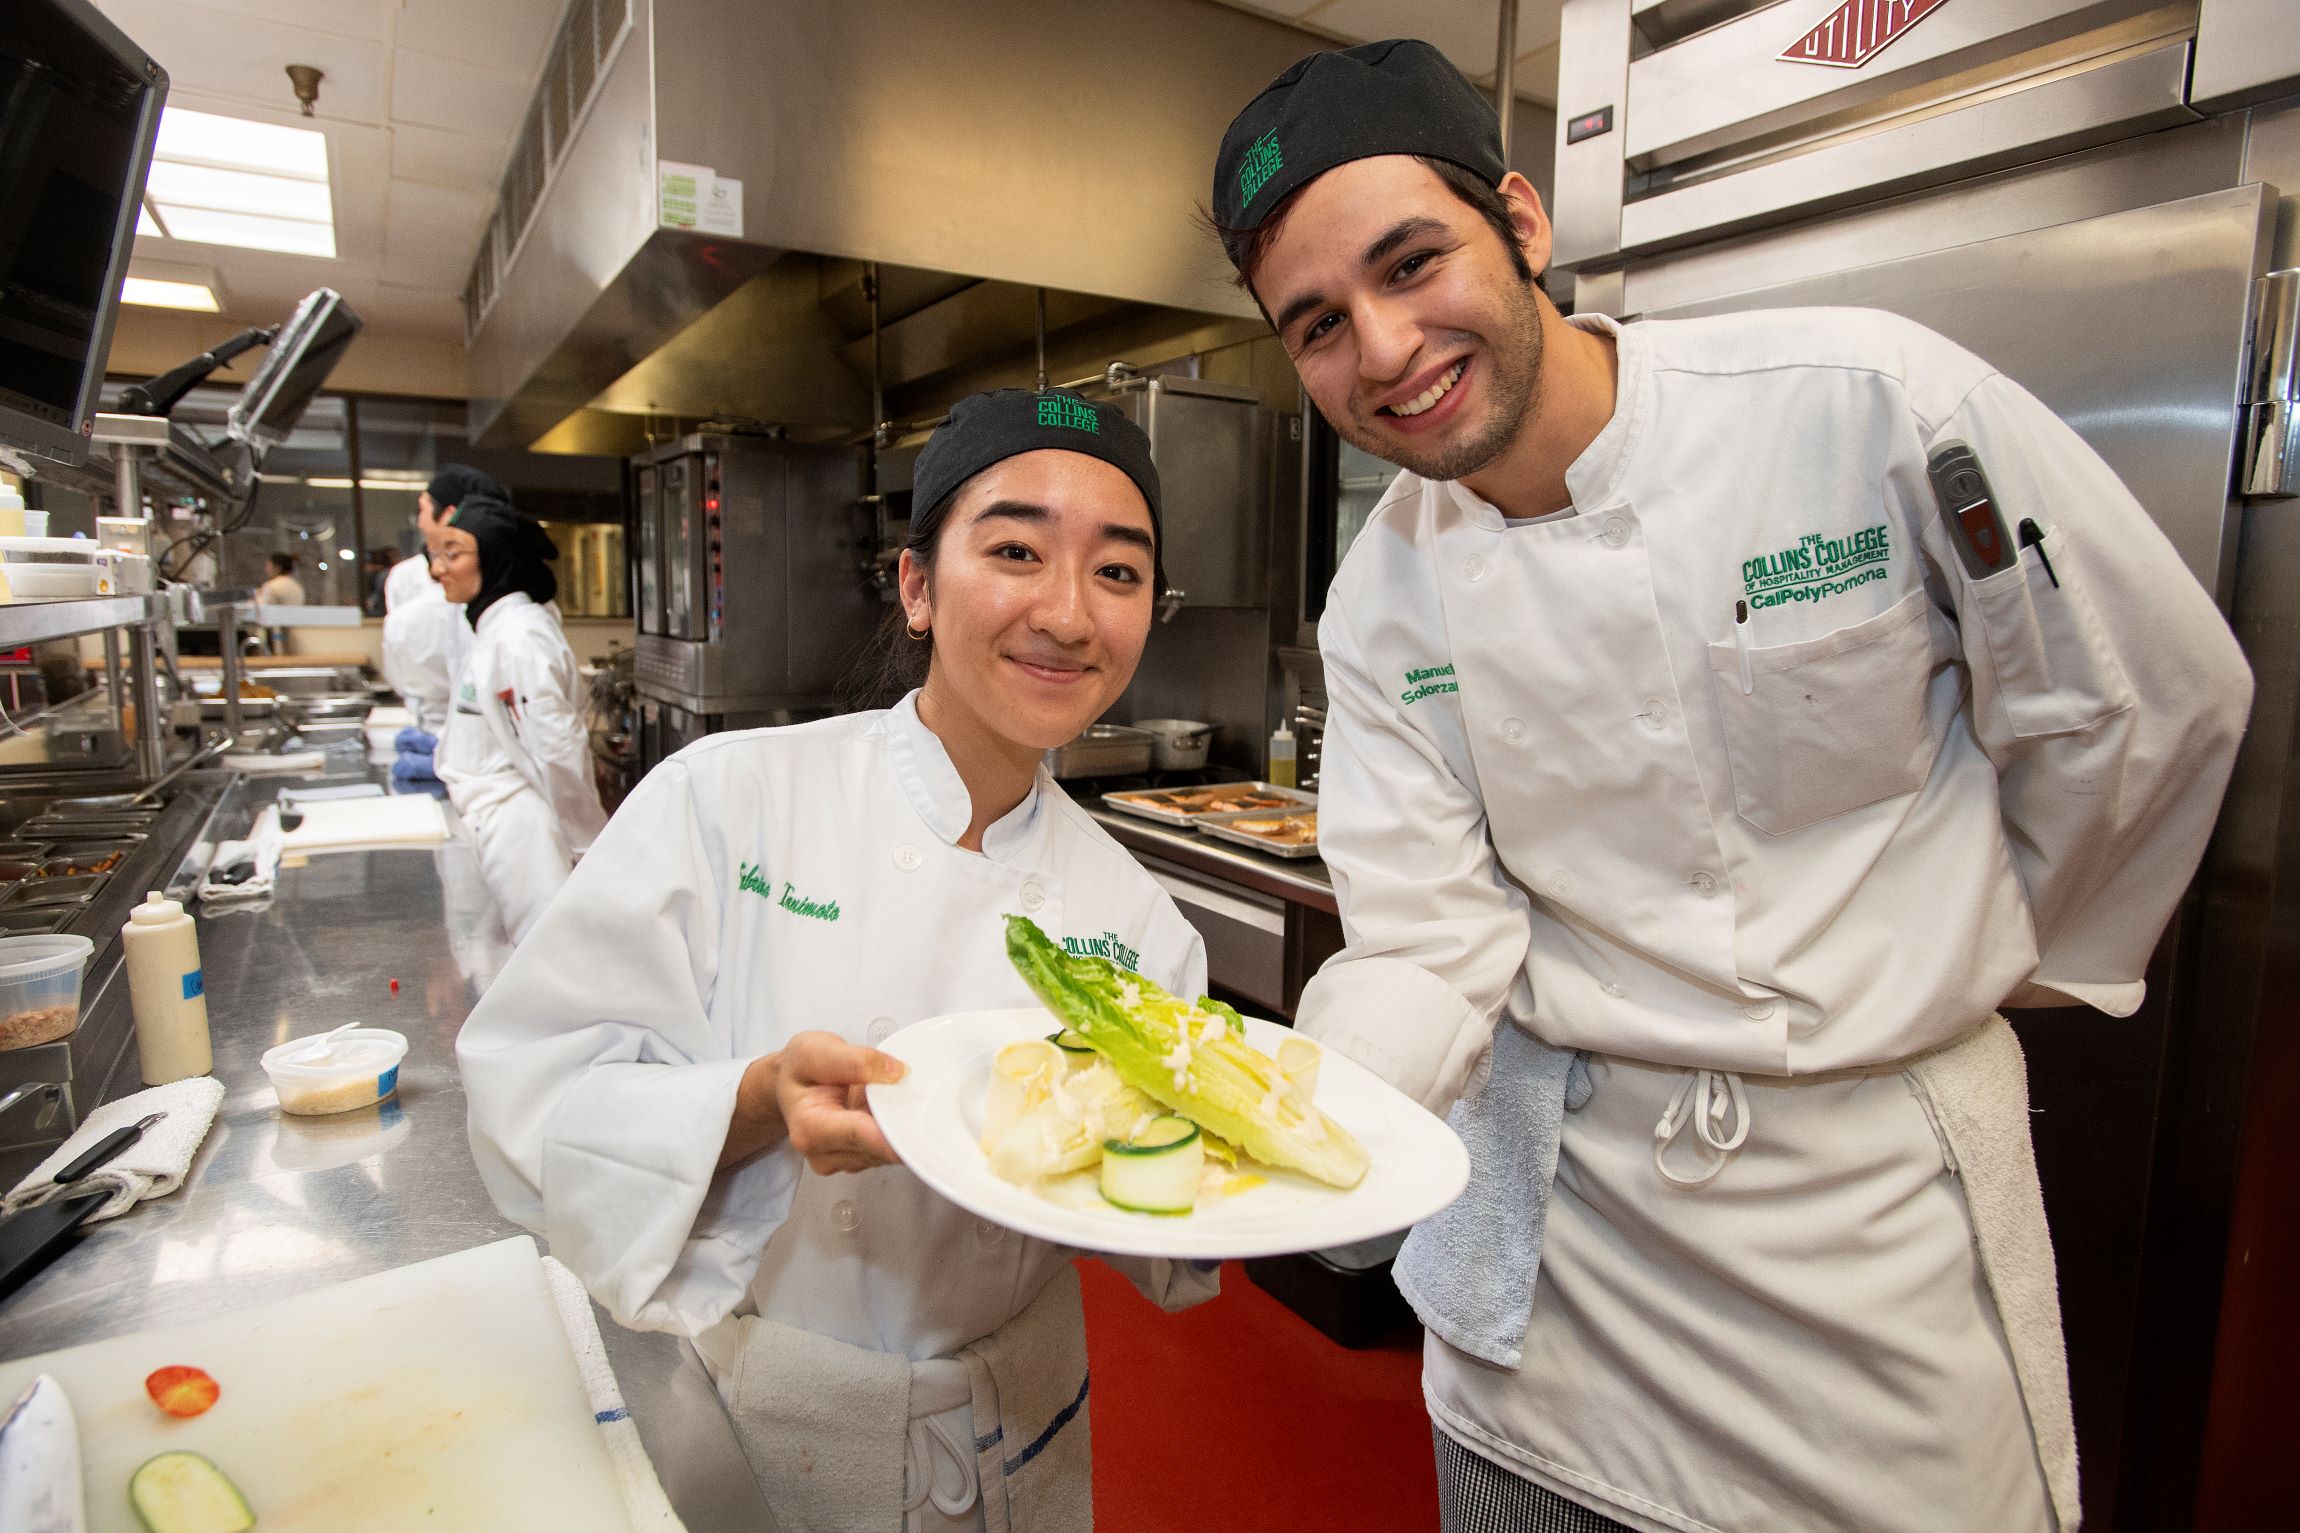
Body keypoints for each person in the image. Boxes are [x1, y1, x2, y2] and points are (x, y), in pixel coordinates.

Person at [1207, 40, 2253, 1533]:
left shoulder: (1867, 405)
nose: (1380, 350)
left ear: (1522, 220)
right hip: (1558, 1301)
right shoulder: (1383, 602)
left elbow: (2142, 708)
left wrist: (2014, 959)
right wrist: (1273, 1124)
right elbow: (1430, 939)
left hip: (1867, 1260)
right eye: (1316, 324)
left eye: (1410, 262)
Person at [456, 388, 1217, 1532]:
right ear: (916, 586)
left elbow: (1169, 1214)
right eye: (1015, 550)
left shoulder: (1140, 919)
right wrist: (755, 1104)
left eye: (1117, 572)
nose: (1067, 613)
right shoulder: (730, 801)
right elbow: (527, 1099)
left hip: (1028, 1424)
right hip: (769, 1423)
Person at [428, 493, 605, 942]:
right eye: (438, 554)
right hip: (495, 826)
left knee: (544, 969)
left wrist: (590, 846)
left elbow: (556, 748)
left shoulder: (521, 638)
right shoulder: (493, 627)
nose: (437, 569)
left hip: (524, 836)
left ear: (494, 557)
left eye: (453, 553)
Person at [381, 468, 496, 789]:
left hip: (479, 762)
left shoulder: (509, 616)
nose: (439, 570)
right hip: (454, 748)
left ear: (449, 514)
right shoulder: (423, 593)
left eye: (422, 509)